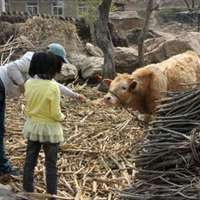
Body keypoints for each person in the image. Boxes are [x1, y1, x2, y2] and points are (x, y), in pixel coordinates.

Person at [0, 43, 85, 176]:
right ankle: (3, 168)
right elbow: (11, 67)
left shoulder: (41, 68)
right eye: (59, 61)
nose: (58, 64)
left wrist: (75, 95)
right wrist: (22, 85)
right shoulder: (31, 59)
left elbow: (55, 85)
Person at [22, 52, 66, 198]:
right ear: (52, 68)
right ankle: (52, 194)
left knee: (30, 161)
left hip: (33, 128)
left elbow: (28, 108)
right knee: (51, 164)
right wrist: (62, 117)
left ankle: (27, 191)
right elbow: (55, 113)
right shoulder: (53, 87)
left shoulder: (28, 83)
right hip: (50, 131)